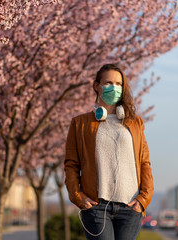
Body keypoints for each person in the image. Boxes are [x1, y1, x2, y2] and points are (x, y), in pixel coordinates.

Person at [64, 64, 154, 240]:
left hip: (130, 207)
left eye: (119, 84)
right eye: (108, 83)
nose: (114, 87)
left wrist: (143, 199)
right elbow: (71, 165)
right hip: (96, 206)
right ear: (97, 86)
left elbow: (144, 163)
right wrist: (78, 197)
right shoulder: (80, 124)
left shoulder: (135, 123)